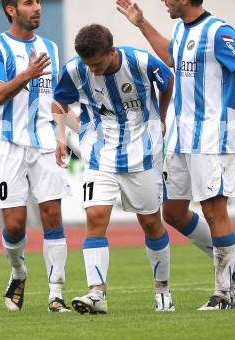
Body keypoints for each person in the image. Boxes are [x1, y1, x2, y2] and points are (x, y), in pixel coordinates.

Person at [116, 0, 235, 310]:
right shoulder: (181, 30)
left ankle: (223, 292)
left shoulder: (217, 32)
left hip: (211, 136)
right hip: (180, 137)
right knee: (173, 212)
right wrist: (142, 23)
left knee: (212, 208)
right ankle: (234, 264)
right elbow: (171, 56)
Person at [52, 24, 175, 314]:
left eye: (97, 63)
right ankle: (97, 293)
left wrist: (161, 117)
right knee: (95, 217)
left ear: (112, 51)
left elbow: (168, 82)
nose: (92, 70)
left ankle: (163, 288)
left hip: (143, 154)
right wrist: (61, 138)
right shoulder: (74, 70)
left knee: (151, 223)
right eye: (87, 64)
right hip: (99, 155)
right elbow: (58, 102)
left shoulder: (141, 62)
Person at [0, 0, 73, 313]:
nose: (37, 8)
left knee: (52, 215)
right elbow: (0, 94)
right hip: (6, 145)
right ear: (11, 10)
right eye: (29, 3)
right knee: (15, 224)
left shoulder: (50, 47)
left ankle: (56, 293)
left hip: (45, 143)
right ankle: (19, 272)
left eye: (38, 1)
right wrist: (28, 75)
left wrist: (63, 138)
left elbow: (56, 100)